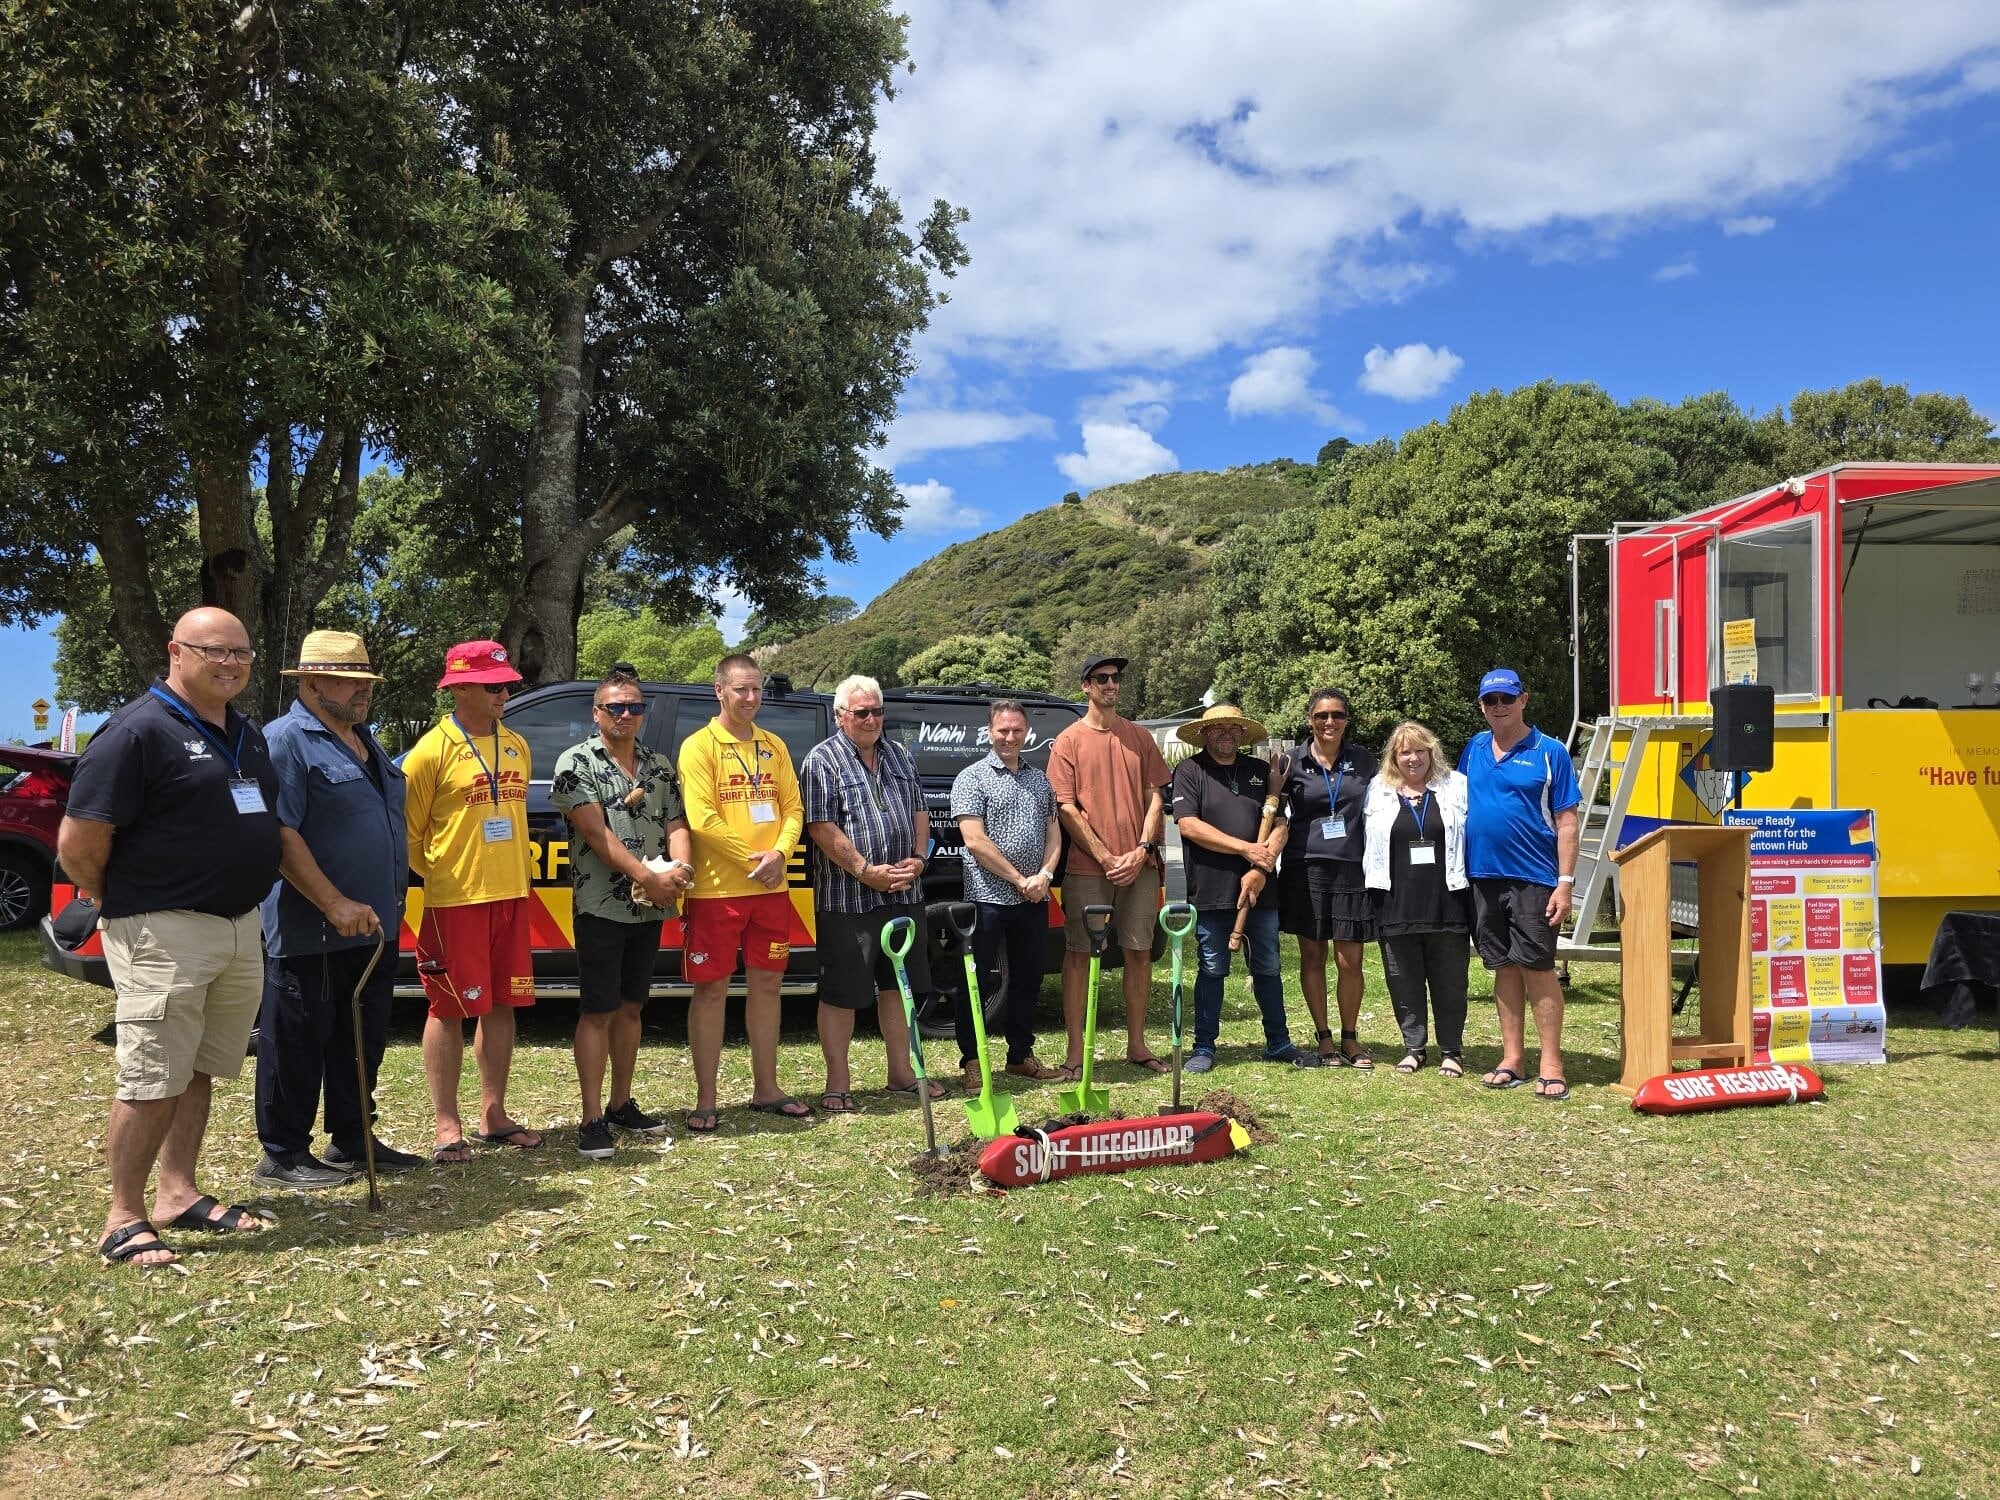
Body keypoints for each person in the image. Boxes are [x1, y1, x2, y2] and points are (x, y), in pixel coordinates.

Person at [59, 608, 281, 1267]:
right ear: (175, 652)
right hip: (161, 927)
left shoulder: (245, 733)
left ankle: (177, 1193)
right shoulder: (136, 731)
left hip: (239, 925)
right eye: (214, 650)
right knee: (153, 1073)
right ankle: (123, 1216)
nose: (230, 663)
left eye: (241, 653)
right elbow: (79, 843)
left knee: (200, 1067)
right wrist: (122, 897)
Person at [255, 630, 418, 1188]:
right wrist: (332, 901)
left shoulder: (365, 740)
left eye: (364, 682)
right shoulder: (285, 740)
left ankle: (353, 1137)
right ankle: (282, 1153)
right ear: (308, 682)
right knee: (298, 1040)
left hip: (372, 925)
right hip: (312, 926)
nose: (360, 692)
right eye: (346, 682)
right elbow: (279, 833)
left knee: (360, 1040)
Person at [403, 639, 542, 1160]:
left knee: (503, 1003)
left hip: (512, 894)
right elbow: (411, 835)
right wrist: (446, 876)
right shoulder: (430, 752)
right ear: (459, 687)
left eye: (506, 683)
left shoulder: (516, 744)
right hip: (455, 901)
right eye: (491, 684)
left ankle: (493, 1113)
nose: (503, 692)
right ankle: (446, 1123)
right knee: (449, 1008)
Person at [551, 663, 693, 1159]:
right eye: (616, 706)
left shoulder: (658, 764)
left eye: (634, 706)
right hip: (601, 905)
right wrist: (649, 879)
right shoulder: (576, 762)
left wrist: (680, 870)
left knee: (633, 1007)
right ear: (597, 713)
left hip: (650, 905)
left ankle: (620, 1104)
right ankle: (591, 1118)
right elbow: (596, 834)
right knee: (598, 1010)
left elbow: (677, 821)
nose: (626, 714)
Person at [801, 675, 947, 1111]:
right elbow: (821, 827)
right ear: (840, 715)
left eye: (877, 711)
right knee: (841, 994)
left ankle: (901, 1074)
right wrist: (865, 871)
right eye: (861, 712)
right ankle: (838, 1082)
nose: (871, 719)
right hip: (849, 899)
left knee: (898, 987)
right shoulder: (822, 761)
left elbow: (920, 810)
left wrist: (919, 860)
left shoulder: (900, 754)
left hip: (904, 892)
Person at [677, 654, 811, 1127]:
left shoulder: (774, 745)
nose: (751, 698)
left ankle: (767, 1088)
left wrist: (780, 854)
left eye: (756, 689)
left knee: (769, 986)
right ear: (720, 690)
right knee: (711, 990)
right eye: (741, 690)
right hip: (718, 891)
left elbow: (794, 808)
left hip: (772, 888)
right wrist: (755, 859)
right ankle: (707, 1098)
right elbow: (701, 818)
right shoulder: (698, 747)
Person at [1457, 669, 1582, 1101]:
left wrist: (1564, 883)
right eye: (1490, 700)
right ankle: (1512, 1059)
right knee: (1503, 966)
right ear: (1481, 706)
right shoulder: (1472, 749)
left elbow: (1567, 822)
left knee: (1538, 968)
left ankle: (1551, 1062)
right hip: (1484, 878)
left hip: (1535, 879)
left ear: (1523, 700)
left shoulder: (1550, 753)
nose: (1498, 707)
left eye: (1506, 699)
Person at [1047, 654, 1173, 1077]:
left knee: (1139, 954)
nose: (1110, 685)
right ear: (1085, 686)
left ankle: (1137, 1045)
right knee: (1079, 955)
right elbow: (1066, 807)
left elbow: (1156, 796)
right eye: (1101, 678)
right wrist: (1104, 856)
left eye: (1116, 678)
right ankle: (1076, 1052)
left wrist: (1140, 850)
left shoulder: (1139, 736)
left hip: (1141, 865)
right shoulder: (1068, 741)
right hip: (1088, 867)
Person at [1170, 705, 1297, 1073]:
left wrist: (1262, 862)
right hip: (1211, 886)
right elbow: (1189, 826)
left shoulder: (1261, 772)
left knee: (1269, 965)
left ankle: (1278, 1042)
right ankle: (1204, 1046)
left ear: (1242, 734)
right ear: (1205, 733)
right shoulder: (1190, 771)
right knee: (1212, 965)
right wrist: (1245, 848)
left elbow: (1281, 823)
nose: (1226, 733)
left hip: (1261, 887)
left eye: (1233, 728)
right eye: (1218, 728)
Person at [950, 698, 1065, 1088]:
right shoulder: (971, 778)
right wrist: (1020, 878)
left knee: (1029, 978)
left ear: (1026, 732)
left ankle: (1020, 1055)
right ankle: (971, 1059)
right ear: (989, 732)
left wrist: (1045, 874)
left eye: (1017, 730)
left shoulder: (1040, 779)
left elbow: (1054, 831)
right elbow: (975, 840)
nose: (1010, 737)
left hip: (1034, 897)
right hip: (987, 897)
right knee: (976, 981)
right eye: (1003, 730)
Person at [1363, 720, 1473, 1078]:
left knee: (1451, 981)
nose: (1413, 758)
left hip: (1448, 901)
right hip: (1395, 902)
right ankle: (1414, 1047)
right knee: (1403, 979)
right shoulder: (1378, 789)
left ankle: (1451, 1051)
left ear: (1431, 752)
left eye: (1419, 750)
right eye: (1405, 751)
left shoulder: (1456, 786)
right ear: (1395, 757)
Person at [1278, 688, 1378, 1067]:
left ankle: (1350, 1037)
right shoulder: (1291, 762)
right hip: (1306, 869)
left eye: (1337, 715)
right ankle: (1323, 1036)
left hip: (1352, 868)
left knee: (1350, 959)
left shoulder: (1364, 761)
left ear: (1346, 720)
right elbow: (1273, 811)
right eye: (1322, 715)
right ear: (1310, 720)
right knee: (1313, 956)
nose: (1329, 722)